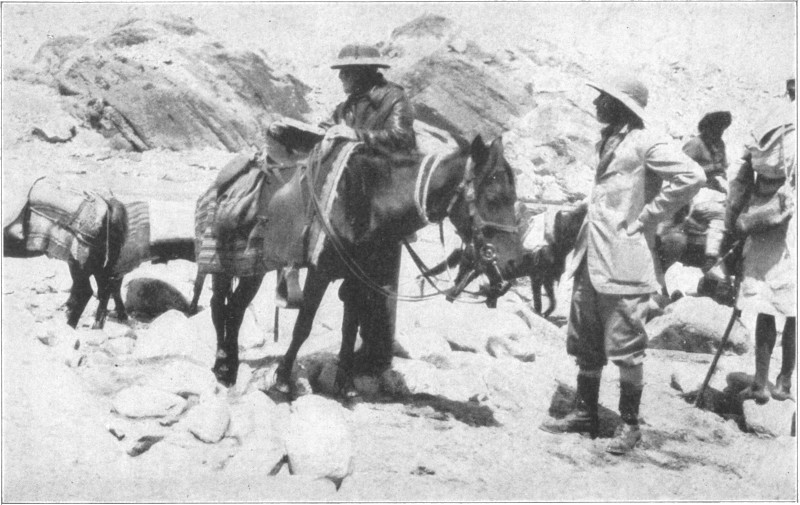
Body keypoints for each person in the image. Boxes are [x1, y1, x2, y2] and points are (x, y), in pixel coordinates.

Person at [539, 76, 705, 455]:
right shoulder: (609, 141)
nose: (596, 102)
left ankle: (629, 425)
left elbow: (693, 175)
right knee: (585, 341)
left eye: (604, 97)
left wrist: (649, 216)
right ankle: (584, 413)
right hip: (591, 257)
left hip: (624, 261)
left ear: (622, 105)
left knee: (626, 345)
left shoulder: (645, 141)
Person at [271, 44, 416, 377]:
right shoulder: (348, 105)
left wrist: (355, 134)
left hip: (382, 197)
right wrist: (321, 133)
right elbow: (331, 126)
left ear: (363, 73)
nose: (341, 79)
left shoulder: (395, 100)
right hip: (351, 193)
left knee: (377, 284)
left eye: (345, 73)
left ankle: (377, 355)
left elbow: (401, 139)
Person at [726, 83, 796, 404]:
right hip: (790, 223)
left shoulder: (770, 118)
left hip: (764, 220)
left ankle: (759, 383)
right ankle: (784, 382)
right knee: (794, 309)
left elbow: (742, 178)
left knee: (767, 307)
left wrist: (735, 222)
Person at [680, 109, 733, 269]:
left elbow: (723, 168)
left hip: (716, 192)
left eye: (722, 129)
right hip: (698, 193)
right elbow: (681, 169)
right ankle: (711, 258)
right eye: (717, 128)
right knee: (721, 215)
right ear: (708, 127)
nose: (720, 132)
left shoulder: (719, 144)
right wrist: (711, 169)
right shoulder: (695, 144)